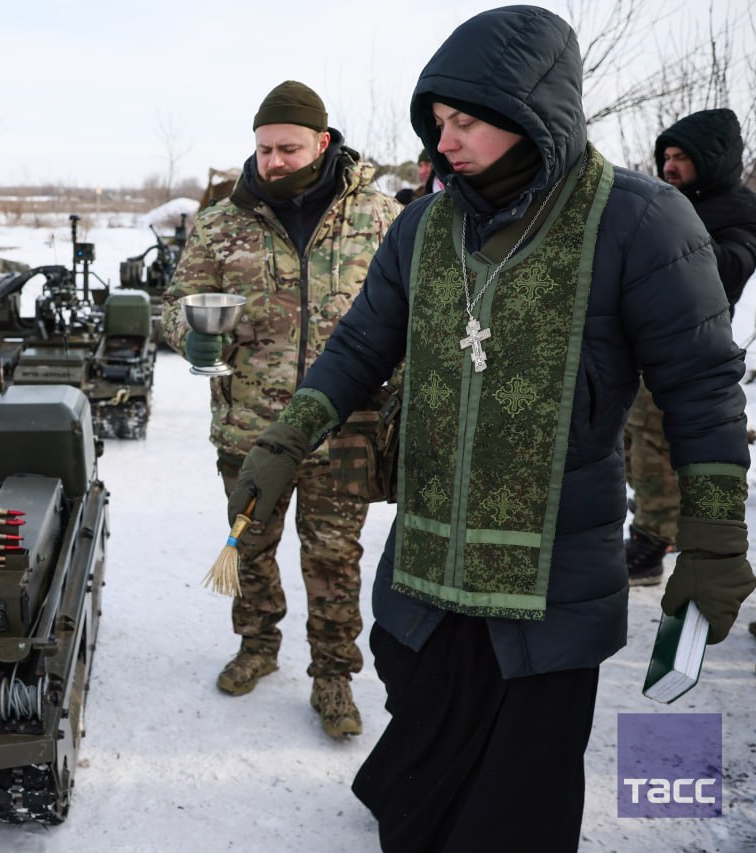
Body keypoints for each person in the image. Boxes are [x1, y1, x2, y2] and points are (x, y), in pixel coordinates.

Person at [226, 7, 754, 851]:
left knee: (518, 791)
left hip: (550, 570)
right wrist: (287, 439)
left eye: (466, 121)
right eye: (438, 122)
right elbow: (359, 346)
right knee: (424, 732)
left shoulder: (640, 222)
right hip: (429, 555)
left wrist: (715, 537)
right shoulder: (424, 227)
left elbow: (702, 388)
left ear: (532, 109)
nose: (446, 142)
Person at [163, 81, 400, 738]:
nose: (273, 161)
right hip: (250, 427)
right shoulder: (221, 223)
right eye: (264, 148)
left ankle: (333, 675)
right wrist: (191, 333)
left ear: (322, 143)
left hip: (343, 429)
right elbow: (174, 306)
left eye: (288, 148)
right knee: (250, 545)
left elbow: (409, 315)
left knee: (334, 558)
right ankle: (258, 643)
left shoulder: (379, 218)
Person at [624, 107, 756, 585]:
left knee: (654, 443)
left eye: (681, 157)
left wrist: (667, 232)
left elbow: (729, 269)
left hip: (689, 352)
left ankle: (651, 541)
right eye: (666, 157)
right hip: (643, 343)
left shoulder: (737, 211)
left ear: (710, 160)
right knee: (634, 440)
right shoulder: (672, 203)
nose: (670, 167)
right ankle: (658, 519)